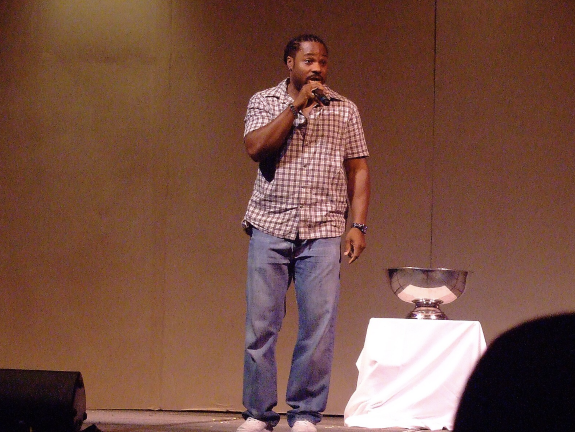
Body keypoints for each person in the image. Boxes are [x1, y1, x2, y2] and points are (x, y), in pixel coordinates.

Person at [238, 34, 370, 432]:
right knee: (261, 326)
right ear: (290, 63)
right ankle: (258, 414)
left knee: (318, 327)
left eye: (323, 62)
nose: (317, 69)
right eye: (309, 61)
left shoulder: (344, 109)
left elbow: (358, 168)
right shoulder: (265, 101)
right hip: (271, 224)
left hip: (323, 229)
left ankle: (305, 414)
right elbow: (256, 148)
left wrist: (358, 225)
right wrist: (295, 107)